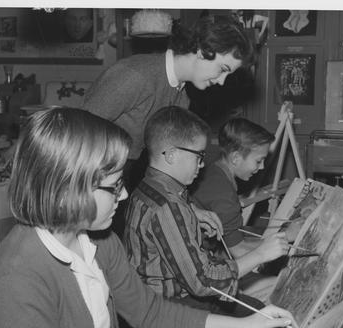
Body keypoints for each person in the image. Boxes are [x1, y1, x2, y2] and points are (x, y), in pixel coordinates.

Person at [0, 107, 296, 328]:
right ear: (67, 188)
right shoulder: (18, 281)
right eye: (114, 186)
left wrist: (250, 326)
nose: (125, 195)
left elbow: (149, 312)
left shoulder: (96, 240)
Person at [123, 106, 293, 328]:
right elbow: (204, 283)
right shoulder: (169, 206)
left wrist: (192, 213)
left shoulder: (153, 189)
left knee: (264, 313)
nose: (203, 164)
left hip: (175, 303)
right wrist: (261, 254)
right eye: (199, 156)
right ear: (172, 155)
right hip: (169, 318)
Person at [82, 15, 255, 194]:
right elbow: (76, 134)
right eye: (223, 70)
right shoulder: (134, 76)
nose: (222, 82)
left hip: (121, 178)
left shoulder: (182, 94)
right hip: (90, 177)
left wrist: (188, 206)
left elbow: (166, 161)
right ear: (203, 50)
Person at [191, 118, 279, 302]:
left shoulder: (213, 171)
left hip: (201, 261)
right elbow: (238, 250)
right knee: (277, 285)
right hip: (200, 275)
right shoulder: (224, 195)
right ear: (236, 158)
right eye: (259, 161)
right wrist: (283, 245)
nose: (262, 167)